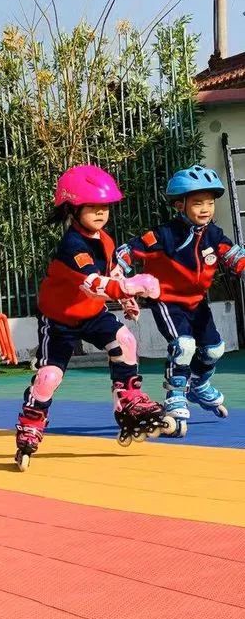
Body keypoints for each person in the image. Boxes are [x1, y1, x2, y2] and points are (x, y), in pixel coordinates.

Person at [14, 164, 170, 471]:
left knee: (124, 340)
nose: (101, 213)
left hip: (91, 314)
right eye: (93, 207)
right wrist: (131, 286)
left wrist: (126, 298)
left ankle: (128, 398)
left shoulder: (106, 240)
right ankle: (31, 422)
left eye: (105, 207)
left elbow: (109, 273)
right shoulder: (71, 247)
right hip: (59, 320)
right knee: (49, 377)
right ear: (73, 208)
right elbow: (94, 284)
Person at [117, 165, 245, 436]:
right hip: (167, 301)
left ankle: (198, 384)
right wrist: (118, 278)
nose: (205, 208)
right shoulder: (164, 235)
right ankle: (175, 393)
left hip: (196, 301)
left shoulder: (213, 234)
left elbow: (234, 256)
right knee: (184, 345)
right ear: (179, 205)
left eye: (209, 202)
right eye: (197, 202)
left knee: (214, 349)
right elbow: (128, 252)